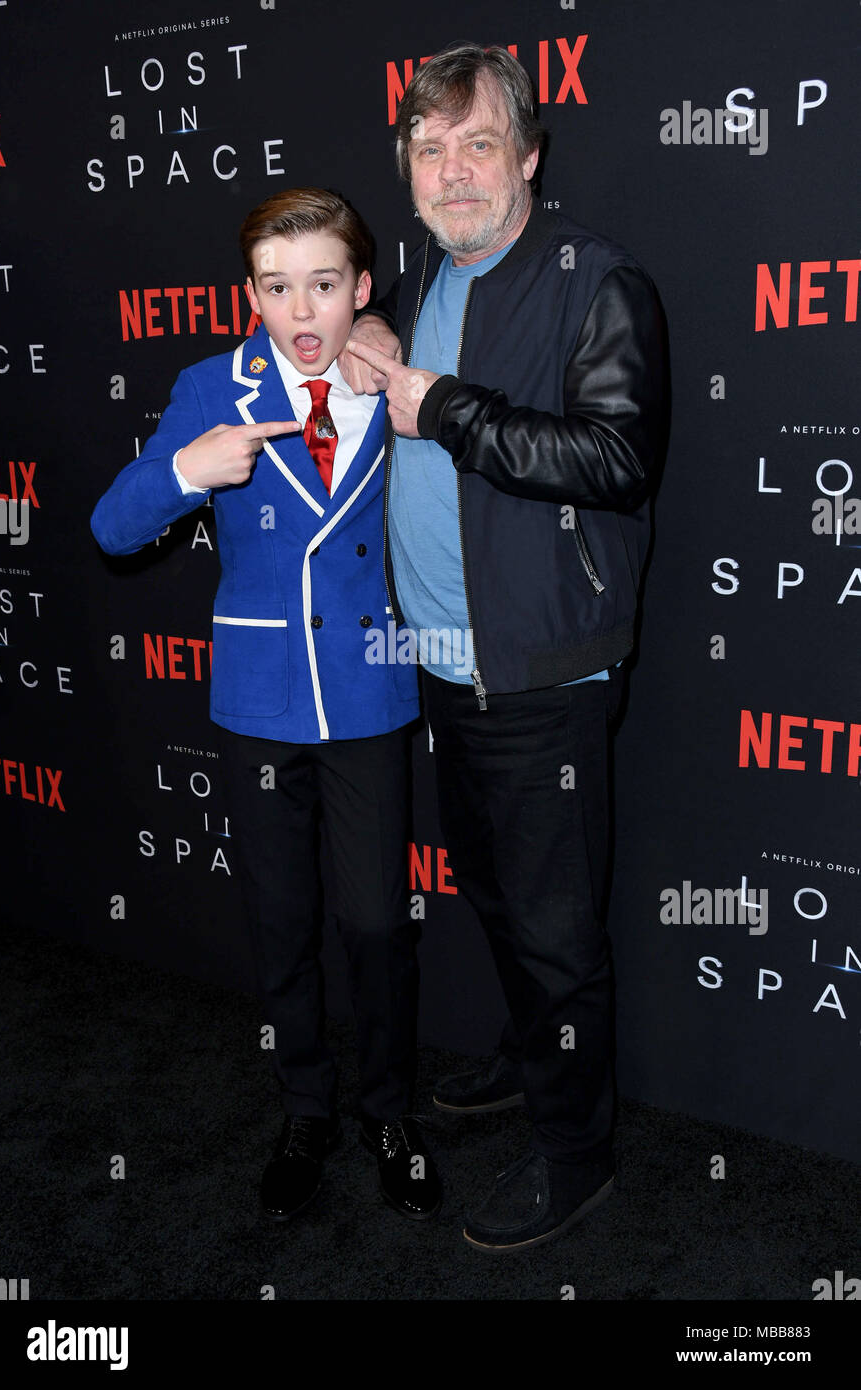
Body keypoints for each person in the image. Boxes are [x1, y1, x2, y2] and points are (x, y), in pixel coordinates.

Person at [340, 43, 667, 1251]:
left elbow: (616, 460)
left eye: (478, 143)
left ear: (528, 154)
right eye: (428, 150)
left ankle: (577, 1153)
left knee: (553, 926)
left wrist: (446, 408)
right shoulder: (429, 272)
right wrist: (378, 340)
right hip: (440, 658)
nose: (452, 168)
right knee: (493, 889)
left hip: (541, 669)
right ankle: (538, 1065)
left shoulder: (599, 281)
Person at [91, 188, 442, 1224]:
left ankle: (387, 1111)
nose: (302, 310)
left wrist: (381, 352)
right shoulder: (211, 385)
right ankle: (305, 1108)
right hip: (258, 699)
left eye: (325, 285)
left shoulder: (392, 378)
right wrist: (185, 474)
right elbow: (113, 527)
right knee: (280, 921)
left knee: (378, 924)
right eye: (277, 286)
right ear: (250, 292)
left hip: (370, 694)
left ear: (360, 289)